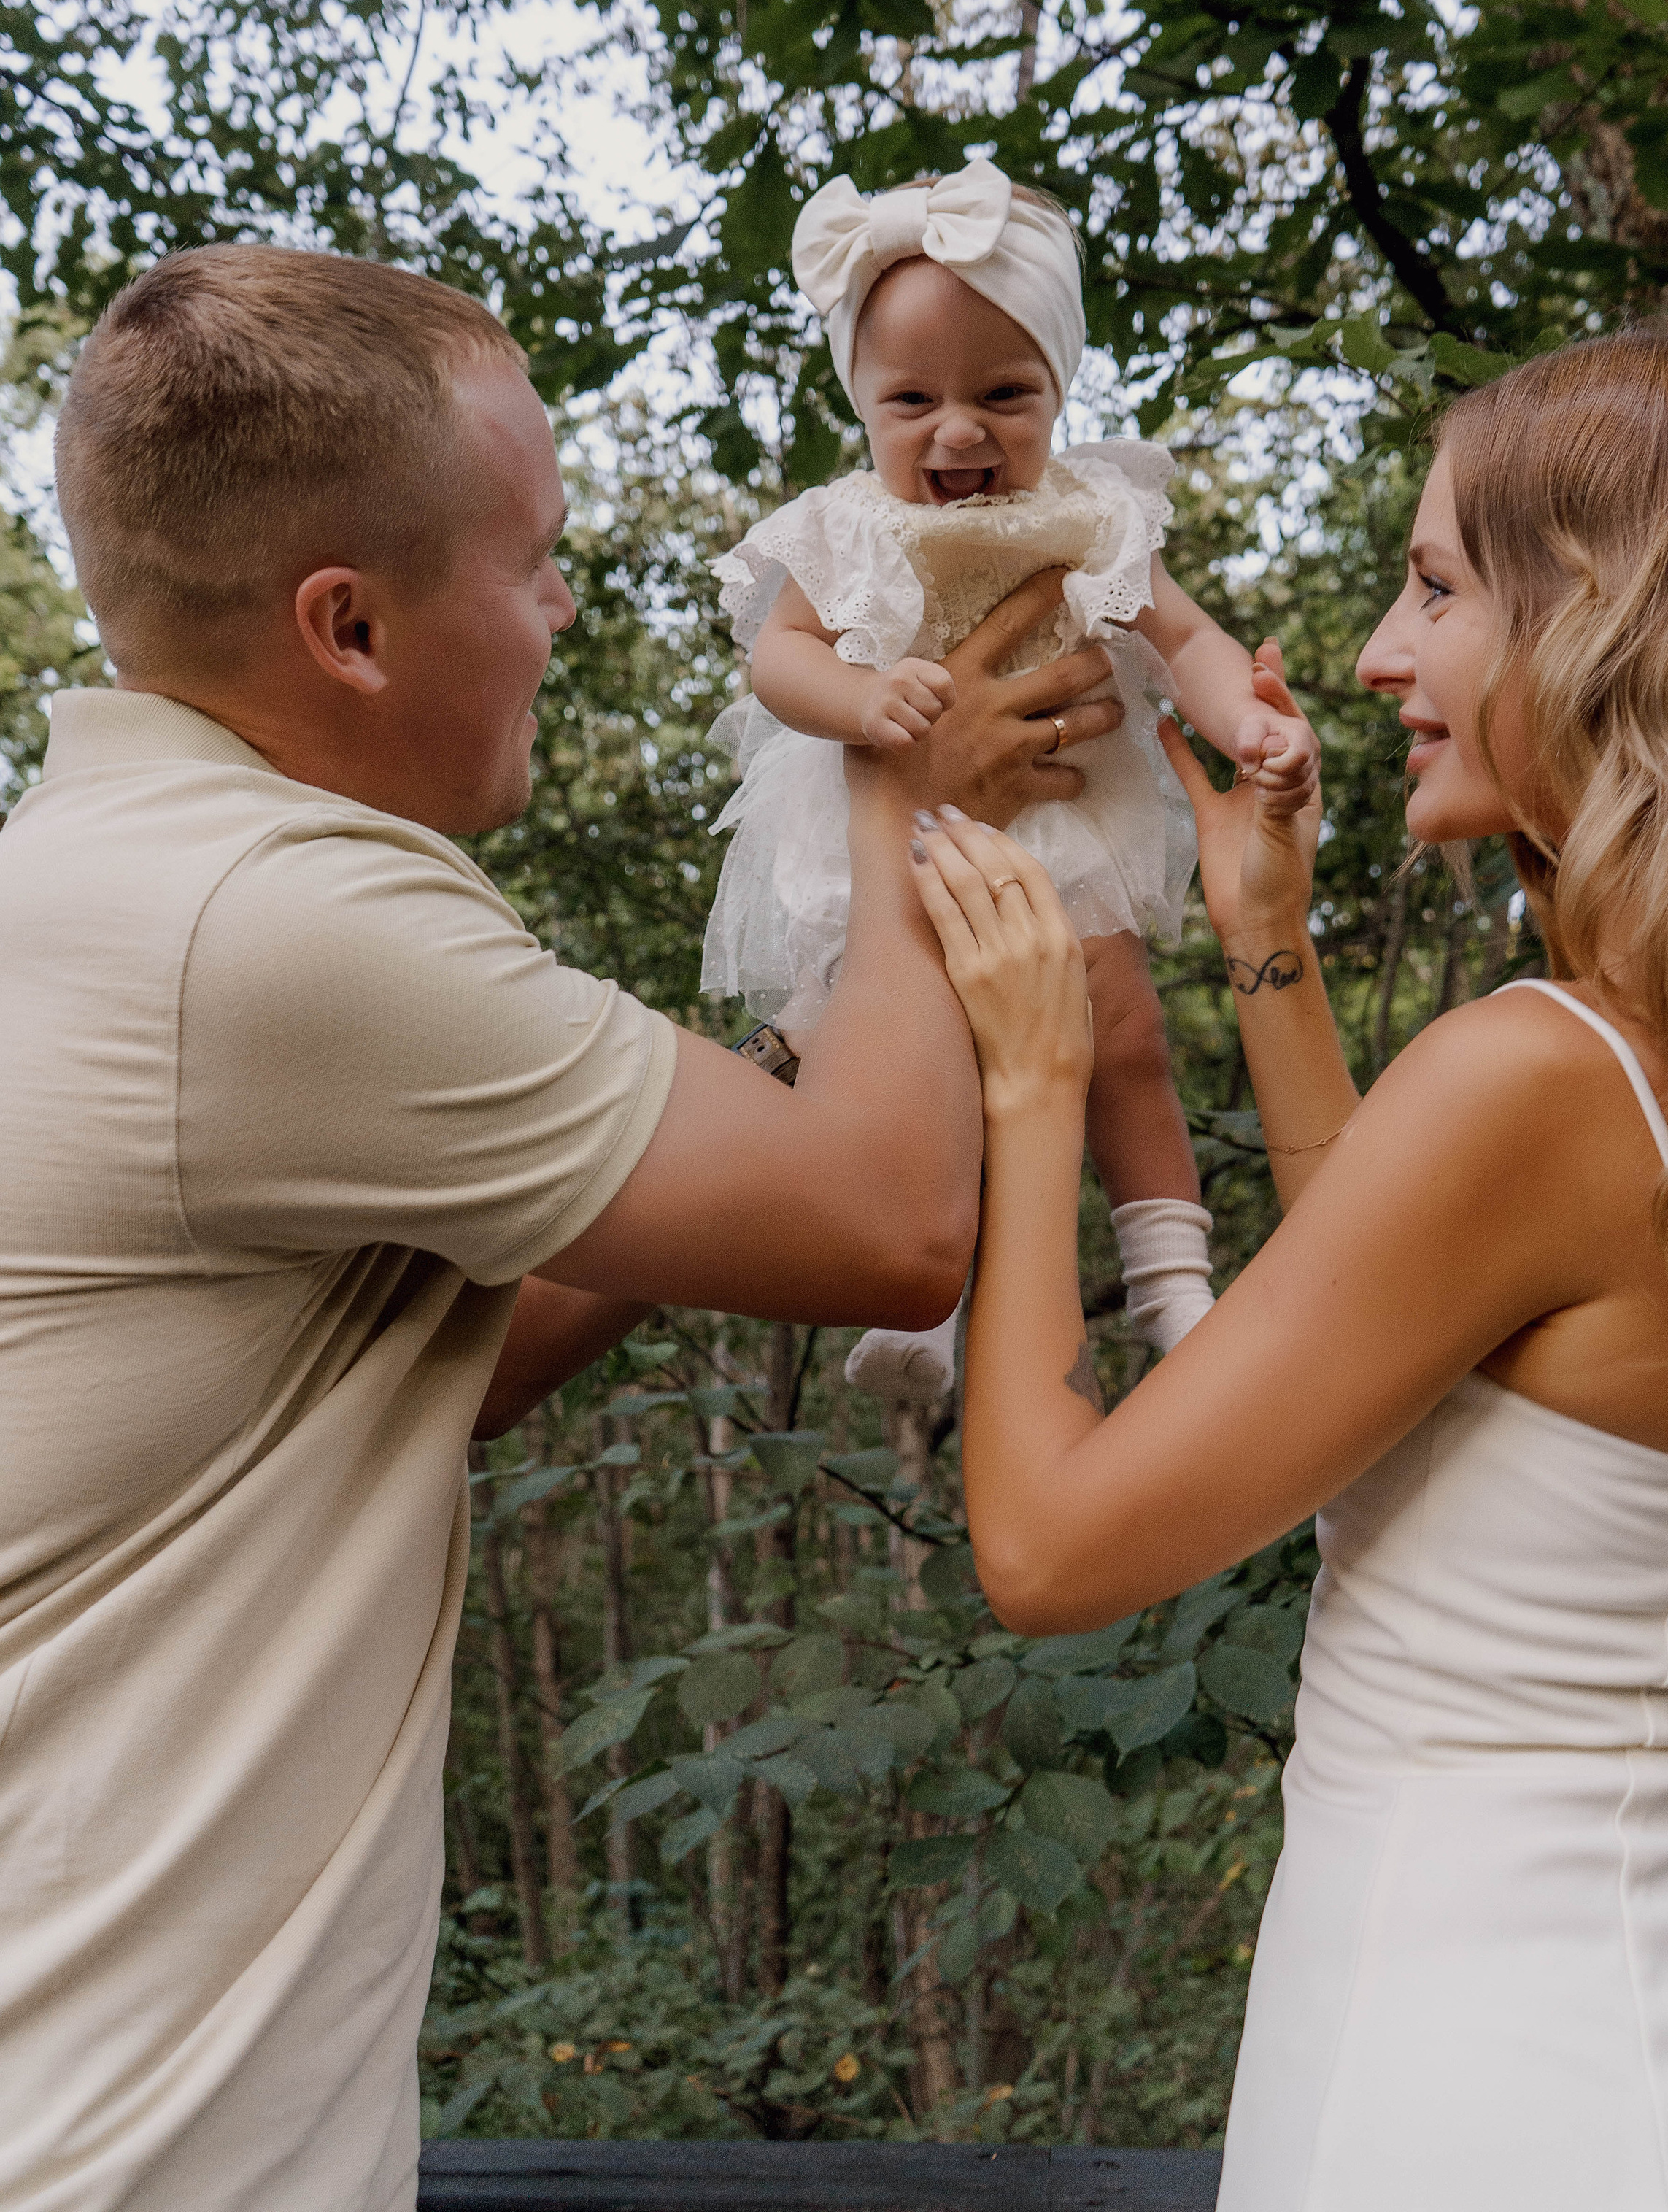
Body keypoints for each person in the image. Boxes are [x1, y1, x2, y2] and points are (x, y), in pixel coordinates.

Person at [0, 244, 1128, 2212]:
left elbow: (466, 1357)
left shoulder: (113, 879)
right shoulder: (274, 930)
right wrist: (897, 782)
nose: (565, 609)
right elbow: (887, 1226)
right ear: (348, 626)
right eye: (532, 562)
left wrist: (791, 1042)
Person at [907, 321, 1668, 2208]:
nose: (1376, 655)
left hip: (1480, 2098)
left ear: (1598, 619)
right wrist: (1267, 938)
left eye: (1435, 587)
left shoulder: (1539, 1079)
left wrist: (1037, 1086)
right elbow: (1434, 1312)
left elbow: (1047, 1546)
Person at [703, 158, 1318, 1399]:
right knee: (916, 1053)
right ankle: (923, 1297)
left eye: (1005, 393)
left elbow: (1183, 638)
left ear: (1059, 389)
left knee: (1126, 1040)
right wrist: (862, 700)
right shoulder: (844, 529)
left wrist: (1246, 725)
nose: (961, 429)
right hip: (903, 844)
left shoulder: (1093, 514)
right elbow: (779, 659)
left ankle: (1172, 1283)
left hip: (1063, 826)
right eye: (913, 399)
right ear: (863, 405)